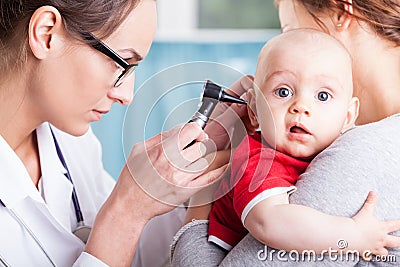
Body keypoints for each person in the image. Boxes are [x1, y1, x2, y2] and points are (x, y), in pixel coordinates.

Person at [0, 0, 251, 266]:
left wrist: (189, 171)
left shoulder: (73, 143)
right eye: (123, 63)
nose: (126, 96)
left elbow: (128, 253)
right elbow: (115, 230)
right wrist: (125, 212)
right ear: (46, 34)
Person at [171, 0, 400, 265]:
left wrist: (200, 203)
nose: (301, 107)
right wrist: (351, 235)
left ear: (341, 11)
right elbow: (271, 222)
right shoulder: (261, 158)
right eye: (283, 91)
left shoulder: (363, 152)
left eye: (289, 28)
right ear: (255, 108)